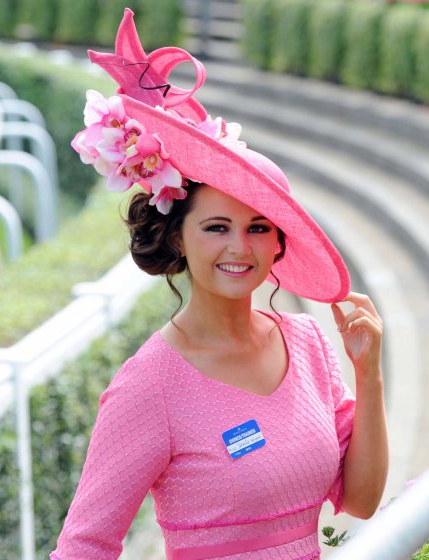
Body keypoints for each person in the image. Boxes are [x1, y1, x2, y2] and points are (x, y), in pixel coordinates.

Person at [49, 8, 388, 560]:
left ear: (278, 242)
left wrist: (368, 373)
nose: (239, 247)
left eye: (258, 228)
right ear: (178, 239)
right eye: (216, 228)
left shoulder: (307, 344)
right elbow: (84, 546)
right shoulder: (149, 386)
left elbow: (364, 499)